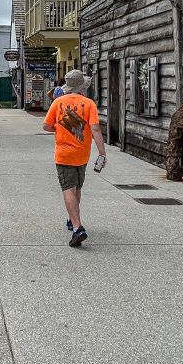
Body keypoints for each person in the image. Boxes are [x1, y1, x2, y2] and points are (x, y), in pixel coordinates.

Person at [43, 69, 107, 248]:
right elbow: (95, 129)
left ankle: (77, 228)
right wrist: (102, 153)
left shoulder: (58, 102)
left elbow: (46, 126)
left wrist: (63, 125)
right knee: (77, 187)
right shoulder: (89, 104)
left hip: (64, 154)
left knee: (68, 189)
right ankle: (72, 220)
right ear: (81, 87)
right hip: (82, 154)